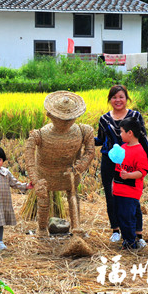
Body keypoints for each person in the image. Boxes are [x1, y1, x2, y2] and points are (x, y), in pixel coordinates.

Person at [25, 91, 95, 236]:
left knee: (73, 197)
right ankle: (42, 229)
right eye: (61, 119)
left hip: (69, 174)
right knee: (44, 200)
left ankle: (76, 228)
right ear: (49, 115)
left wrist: (81, 165)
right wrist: (35, 180)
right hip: (45, 175)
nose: (65, 123)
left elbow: (90, 151)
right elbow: (29, 156)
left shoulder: (83, 131)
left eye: (69, 119)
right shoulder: (40, 134)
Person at [95, 85, 148, 247]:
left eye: (121, 97)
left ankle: (138, 234)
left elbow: (142, 138)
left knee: (132, 198)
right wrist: (81, 137)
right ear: (110, 100)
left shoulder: (135, 116)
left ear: (126, 98)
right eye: (114, 97)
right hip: (110, 161)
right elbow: (100, 140)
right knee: (111, 195)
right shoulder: (104, 119)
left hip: (131, 161)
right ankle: (116, 230)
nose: (118, 100)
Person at [113, 117, 148, 249]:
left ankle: (130, 242)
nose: (120, 134)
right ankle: (130, 238)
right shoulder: (122, 148)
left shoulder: (139, 151)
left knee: (127, 217)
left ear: (130, 133)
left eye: (122, 131)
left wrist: (128, 175)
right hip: (118, 189)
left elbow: (143, 171)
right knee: (123, 215)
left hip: (130, 192)